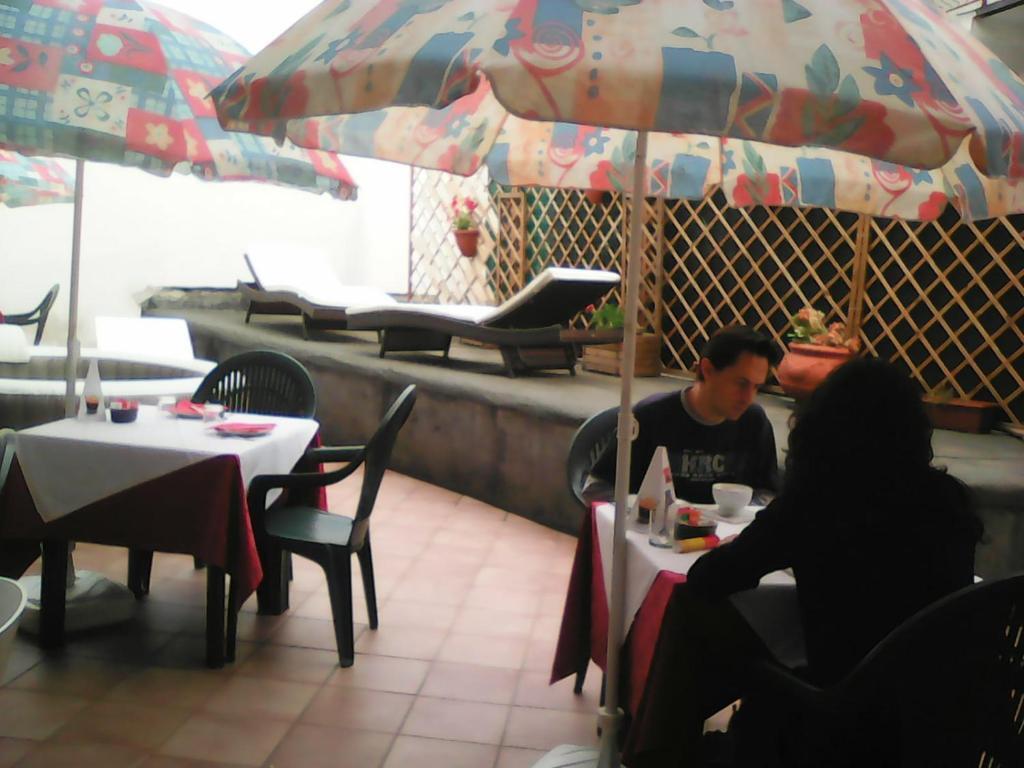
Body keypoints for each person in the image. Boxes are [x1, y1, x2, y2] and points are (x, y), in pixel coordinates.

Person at [687, 358, 983, 766]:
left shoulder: (816, 501)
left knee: (718, 637)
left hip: (847, 714)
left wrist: (763, 546)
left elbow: (707, 579)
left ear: (821, 425)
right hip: (945, 718)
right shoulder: (949, 501)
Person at [587, 325, 781, 504]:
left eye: (757, 387)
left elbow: (768, 493)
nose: (748, 397)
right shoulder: (651, 416)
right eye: (741, 383)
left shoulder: (754, 422)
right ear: (707, 370)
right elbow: (597, 489)